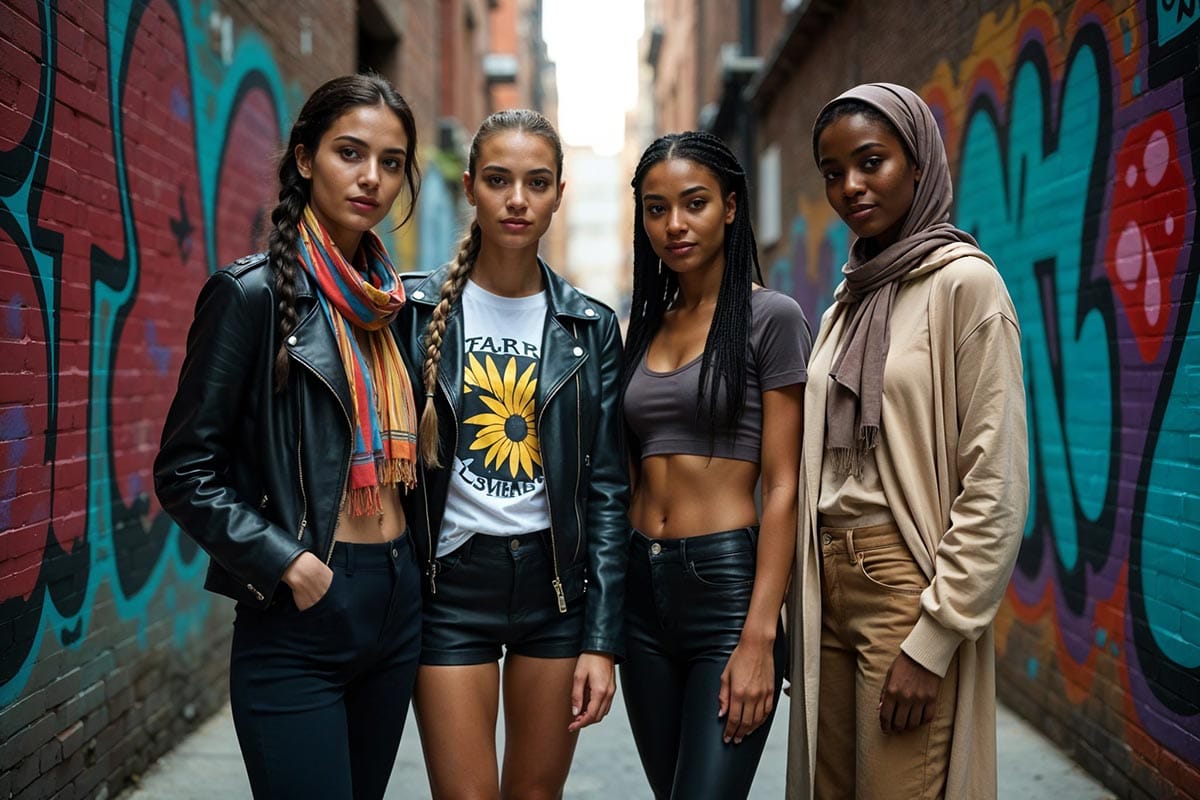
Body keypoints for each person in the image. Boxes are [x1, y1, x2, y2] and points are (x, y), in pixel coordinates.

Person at [154, 73, 423, 800]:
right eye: (350, 152)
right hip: (301, 609)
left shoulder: (398, 308)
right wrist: (291, 565)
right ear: (304, 159)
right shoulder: (250, 295)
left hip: (396, 602)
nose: (372, 177)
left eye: (392, 162)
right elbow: (184, 470)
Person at [785, 82, 1029, 800]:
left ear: (918, 164)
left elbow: (996, 481)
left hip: (905, 584)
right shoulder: (850, 296)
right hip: (825, 581)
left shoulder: (966, 285)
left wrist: (935, 639)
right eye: (833, 172)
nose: (850, 186)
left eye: (871, 162)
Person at [392, 109, 628, 800]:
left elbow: (608, 489)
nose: (517, 199)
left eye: (536, 182)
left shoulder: (590, 326)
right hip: (450, 587)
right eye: (498, 180)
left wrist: (602, 638)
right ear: (470, 187)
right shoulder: (413, 311)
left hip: (554, 590)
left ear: (560, 193)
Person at [620, 131, 810, 800]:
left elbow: (785, 483)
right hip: (640, 594)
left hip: (725, 591)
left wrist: (761, 633)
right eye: (656, 207)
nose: (674, 224)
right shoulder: (646, 325)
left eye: (694, 203)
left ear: (730, 207)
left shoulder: (771, 318)